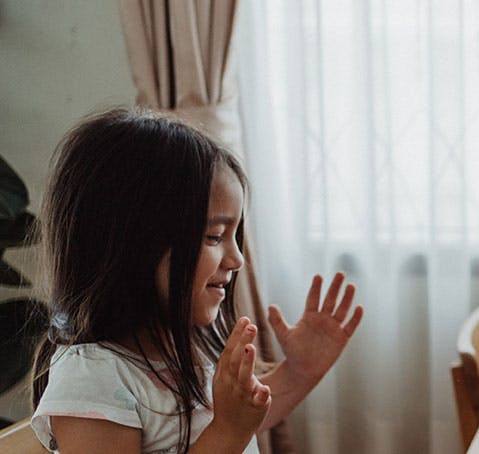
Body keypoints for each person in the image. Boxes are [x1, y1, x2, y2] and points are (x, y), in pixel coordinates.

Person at [29, 108, 365, 453]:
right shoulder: (93, 377)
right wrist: (228, 431)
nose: (236, 260)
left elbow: (243, 420)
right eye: (215, 237)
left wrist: (299, 372)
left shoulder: (187, 342)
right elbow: (227, 431)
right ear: (134, 244)